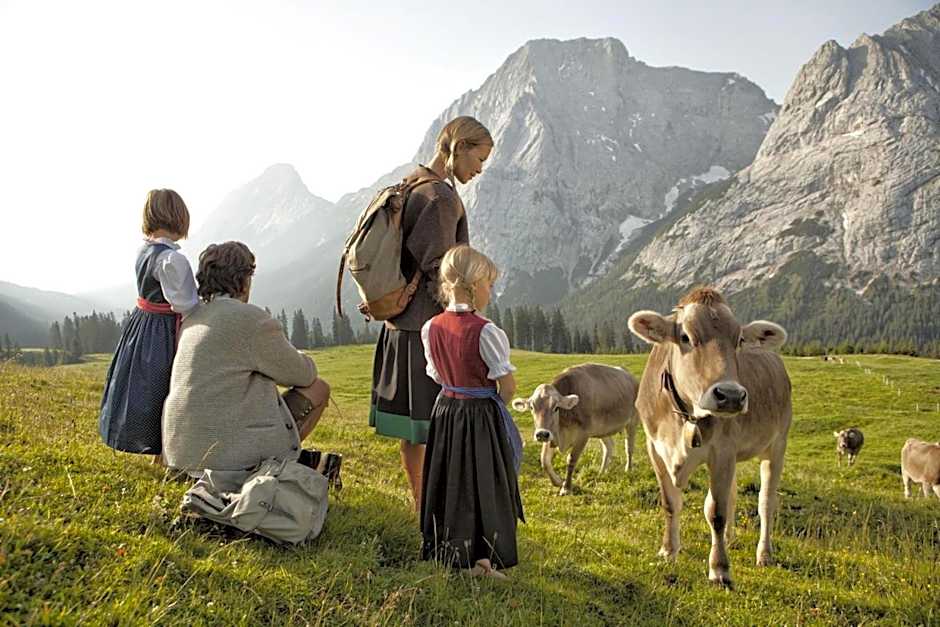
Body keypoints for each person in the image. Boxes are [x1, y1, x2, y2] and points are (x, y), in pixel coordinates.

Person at [369, 116, 494, 510]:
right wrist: (466, 320)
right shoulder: (440, 197)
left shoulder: (413, 182)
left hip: (401, 325)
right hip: (425, 328)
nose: (479, 169)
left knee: (418, 428)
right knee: (431, 425)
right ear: (459, 147)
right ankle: (429, 507)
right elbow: (441, 268)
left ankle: (425, 503)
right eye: (479, 158)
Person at [162, 241, 332, 473]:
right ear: (243, 280)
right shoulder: (250, 319)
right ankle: (280, 465)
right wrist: (300, 355)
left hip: (180, 456)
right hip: (225, 461)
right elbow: (303, 375)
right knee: (319, 388)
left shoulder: (192, 319)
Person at [420, 245, 524, 579]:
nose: (491, 291)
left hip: (446, 411)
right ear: (474, 285)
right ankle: (483, 558)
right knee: (485, 483)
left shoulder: (431, 327)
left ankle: (454, 552)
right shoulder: (487, 331)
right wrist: (496, 407)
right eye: (489, 285)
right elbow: (507, 386)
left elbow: (436, 375)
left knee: (452, 480)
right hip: (479, 414)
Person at [99, 189, 199, 456]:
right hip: (163, 330)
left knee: (143, 386)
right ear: (179, 218)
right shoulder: (172, 259)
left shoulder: (145, 251)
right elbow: (186, 304)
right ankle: (166, 450)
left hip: (142, 324)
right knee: (164, 387)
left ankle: (155, 448)